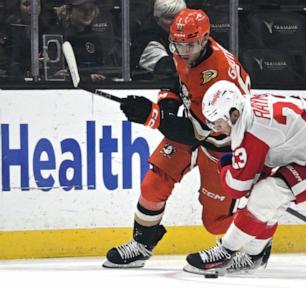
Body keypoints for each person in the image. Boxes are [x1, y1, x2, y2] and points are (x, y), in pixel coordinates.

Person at [102, 9, 253, 272]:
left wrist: (152, 116)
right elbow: (176, 81)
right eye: (177, 44)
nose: (182, 51)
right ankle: (142, 243)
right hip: (194, 124)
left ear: (205, 38)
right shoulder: (184, 47)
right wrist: (167, 108)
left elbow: (197, 132)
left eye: (189, 45)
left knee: (215, 222)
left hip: (221, 142)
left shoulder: (219, 77)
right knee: (154, 182)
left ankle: (256, 242)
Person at [183, 80, 306, 276]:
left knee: (268, 194)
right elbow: (269, 151)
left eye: (218, 122)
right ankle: (254, 256)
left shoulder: (250, 130)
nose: (216, 128)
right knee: (269, 193)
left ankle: (225, 252)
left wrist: (224, 165)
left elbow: (237, 188)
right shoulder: (248, 109)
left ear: (233, 114)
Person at [52, 0, 110, 81]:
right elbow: (57, 73)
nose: (88, 13)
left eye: (91, 9)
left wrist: (97, 75)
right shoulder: (57, 36)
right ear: (69, 11)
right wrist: (87, 77)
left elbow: (101, 68)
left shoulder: (94, 37)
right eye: (82, 9)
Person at [131, 0, 186, 80]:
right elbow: (166, 67)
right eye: (170, 18)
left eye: (181, 18)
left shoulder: (180, 37)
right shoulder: (148, 40)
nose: (177, 22)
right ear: (157, 19)